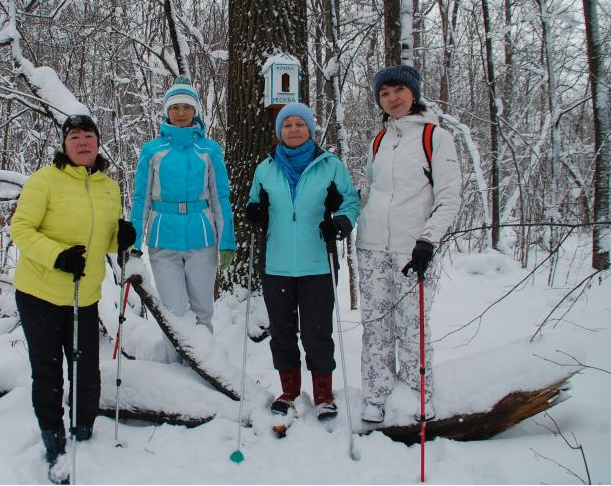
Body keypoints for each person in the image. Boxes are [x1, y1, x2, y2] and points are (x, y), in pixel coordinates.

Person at [10, 114, 136, 482]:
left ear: (98, 142)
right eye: (75, 137)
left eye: (89, 136)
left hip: (85, 295)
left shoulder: (108, 188)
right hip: (40, 293)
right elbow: (21, 229)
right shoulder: (44, 181)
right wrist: (58, 255)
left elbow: (106, 240)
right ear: (64, 144)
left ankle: (84, 429)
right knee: (48, 369)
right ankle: (53, 438)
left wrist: (122, 238)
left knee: (85, 368)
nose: (83, 142)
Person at [356, 65, 461, 424]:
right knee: (375, 325)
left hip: (411, 247)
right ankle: (376, 394)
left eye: (398, 90)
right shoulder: (378, 141)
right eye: (384, 94)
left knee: (412, 326)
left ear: (413, 93)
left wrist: (428, 239)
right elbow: (370, 192)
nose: (392, 98)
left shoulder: (435, 137)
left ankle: (419, 395)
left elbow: (449, 196)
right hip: (371, 247)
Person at [244, 102, 359, 420]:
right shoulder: (266, 168)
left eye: (300, 124)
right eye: (287, 125)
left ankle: (323, 394)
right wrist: (255, 211)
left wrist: (339, 224)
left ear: (311, 129)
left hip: (317, 264)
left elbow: (350, 200)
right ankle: (289, 391)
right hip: (276, 264)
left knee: (316, 332)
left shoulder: (330, 165)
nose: (293, 129)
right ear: (278, 131)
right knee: (281, 332)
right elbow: (255, 200)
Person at [130, 76, 236, 361]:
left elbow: (220, 198)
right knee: (173, 310)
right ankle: (177, 371)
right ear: (166, 110)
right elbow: (141, 199)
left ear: (195, 111)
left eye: (186, 107)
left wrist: (227, 240)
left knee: (203, 308)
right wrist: (133, 241)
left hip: (202, 237)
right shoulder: (152, 150)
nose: (180, 112)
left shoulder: (209, 150)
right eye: (175, 107)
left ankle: (206, 369)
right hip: (163, 236)